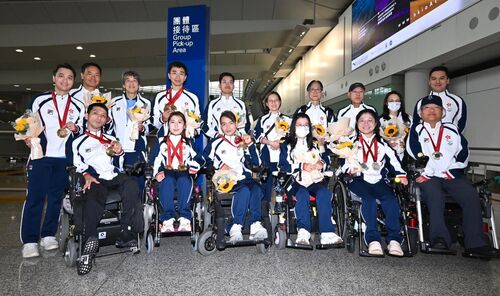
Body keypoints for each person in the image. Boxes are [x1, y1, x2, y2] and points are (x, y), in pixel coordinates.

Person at [407, 95, 500, 257]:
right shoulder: (415, 130)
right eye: (427, 108)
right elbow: (414, 152)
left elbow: (464, 152)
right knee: (435, 195)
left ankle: (475, 243)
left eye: (435, 108)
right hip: (428, 175)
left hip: (451, 174)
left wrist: (451, 171)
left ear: (442, 112)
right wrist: (428, 172)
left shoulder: (452, 129)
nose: (431, 111)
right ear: (420, 113)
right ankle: (439, 238)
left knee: (471, 194)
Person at [20, 63, 85, 259]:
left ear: (74, 82)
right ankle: (30, 240)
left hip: (64, 159)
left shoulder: (78, 105)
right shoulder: (40, 100)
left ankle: (48, 235)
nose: (65, 80)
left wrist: (75, 129)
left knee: (56, 198)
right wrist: (26, 138)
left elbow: (82, 131)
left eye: (69, 78)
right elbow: (26, 122)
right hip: (41, 156)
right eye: (61, 76)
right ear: (54, 79)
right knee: (35, 198)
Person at [72, 103, 144, 275]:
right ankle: (89, 242)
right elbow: (76, 164)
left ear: (106, 120)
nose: (99, 117)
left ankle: (126, 230)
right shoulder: (77, 141)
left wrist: (119, 152)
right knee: (94, 193)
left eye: (103, 115)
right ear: (86, 116)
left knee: (132, 185)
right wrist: (86, 175)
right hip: (94, 177)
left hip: (112, 176)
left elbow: (119, 165)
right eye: (95, 113)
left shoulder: (111, 138)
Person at [341, 109, 407, 256]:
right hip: (358, 179)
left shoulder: (383, 143)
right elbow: (343, 163)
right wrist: (349, 168)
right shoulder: (350, 142)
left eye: (370, 120)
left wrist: (402, 174)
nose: (366, 124)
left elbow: (394, 162)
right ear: (357, 124)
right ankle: (373, 240)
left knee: (390, 199)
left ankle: (394, 240)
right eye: (362, 121)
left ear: (376, 123)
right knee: (368, 200)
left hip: (378, 179)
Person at [201, 111, 267, 242]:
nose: (228, 127)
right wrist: (220, 164)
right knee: (245, 191)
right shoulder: (216, 142)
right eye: (224, 124)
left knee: (257, 189)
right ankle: (235, 226)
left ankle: (255, 224)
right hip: (226, 179)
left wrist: (251, 145)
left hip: (243, 178)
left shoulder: (242, 141)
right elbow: (204, 159)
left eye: (231, 123)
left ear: (236, 124)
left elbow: (257, 163)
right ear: (220, 126)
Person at [279, 113, 343, 246]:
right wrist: (302, 166)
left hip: (314, 180)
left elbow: (326, 159)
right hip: (295, 181)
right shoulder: (286, 144)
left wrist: (322, 163)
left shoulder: (314, 143)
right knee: (302, 194)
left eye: (306, 125)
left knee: (324, 193)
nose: (303, 127)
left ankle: (327, 232)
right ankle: (303, 230)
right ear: (294, 127)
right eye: (299, 125)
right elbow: (283, 165)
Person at [152, 111, 200, 233]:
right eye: (172, 122)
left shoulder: (189, 141)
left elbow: (197, 158)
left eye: (180, 122)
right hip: (166, 170)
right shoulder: (161, 141)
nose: (176, 125)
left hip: (184, 170)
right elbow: (155, 160)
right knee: (167, 181)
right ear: (168, 125)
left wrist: (195, 166)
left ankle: (185, 217)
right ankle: (168, 218)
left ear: (184, 125)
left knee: (184, 181)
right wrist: (157, 173)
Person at [108, 71, 152, 189]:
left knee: (138, 185)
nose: (131, 84)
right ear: (123, 85)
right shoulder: (114, 103)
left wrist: (142, 128)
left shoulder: (146, 103)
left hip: (137, 150)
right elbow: (108, 127)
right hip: (117, 149)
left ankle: (138, 207)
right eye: (128, 80)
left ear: (139, 84)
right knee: (118, 185)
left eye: (134, 81)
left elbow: (150, 126)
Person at [253, 91, 291, 204]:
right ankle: (266, 213)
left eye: (276, 100)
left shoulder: (288, 119)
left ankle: (285, 211)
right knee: (266, 186)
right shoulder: (262, 120)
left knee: (283, 184)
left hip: (284, 157)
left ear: (280, 102)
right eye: (270, 101)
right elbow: (257, 137)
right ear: (267, 104)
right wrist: (270, 142)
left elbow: (292, 136)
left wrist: (280, 143)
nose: (273, 103)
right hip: (267, 158)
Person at [412, 66, 467, 132]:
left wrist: (454, 137)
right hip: (426, 141)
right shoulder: (421, 102)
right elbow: (416, 124)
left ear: (447, 80)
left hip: (450, 140)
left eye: (442, 78)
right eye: (434, 79)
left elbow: (462, 123)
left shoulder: (458, 101)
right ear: (429, 82)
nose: (437, 82)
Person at [152, 61, 200, 130]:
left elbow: (197, 120)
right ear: (169, 76)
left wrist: (193, 131)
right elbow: (155, 123)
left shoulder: (193, 97)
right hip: (164, 139)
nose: (177, 77)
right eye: (174, 73)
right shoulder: (160, 96)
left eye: (181, 74)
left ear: (185, 77)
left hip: (185, 139)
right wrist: (163, 119)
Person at [202, 72, 250, 138]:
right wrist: (216, 135)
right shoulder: (212, 104)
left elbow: (246, 125)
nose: (227, 85)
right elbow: (204, 124)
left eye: (230, 82)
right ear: (219, 85)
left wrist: (240, 136)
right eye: (224, 82)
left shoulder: (241, 104)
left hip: (236, 142)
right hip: (217, 141)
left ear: (233, 86)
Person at [379, 90, 412, 160]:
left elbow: (413, 135)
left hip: (406, 155)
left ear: (400, 103)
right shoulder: (381, 120)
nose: (394, 103)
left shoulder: (408, 118)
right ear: (386, 103)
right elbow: (379, 138)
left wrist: (405, 143)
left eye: (397, 100)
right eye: (391, 101)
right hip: (388, 155)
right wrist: (388, 142)